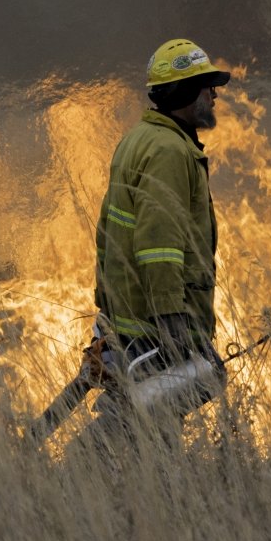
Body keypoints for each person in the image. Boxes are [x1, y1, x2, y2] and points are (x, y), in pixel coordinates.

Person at [87, 38, 231, 442]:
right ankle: (89, 457)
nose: (214, 95)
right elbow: (159, 246)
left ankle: (138, 489)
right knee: (160, 410)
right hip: (154, 323)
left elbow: (108, 230)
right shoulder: (170, 151)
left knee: (154, 432)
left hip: (126, 313)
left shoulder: (140, 138)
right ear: (184, 93)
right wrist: (174, 327)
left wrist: (106, 304)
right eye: (206, 87)